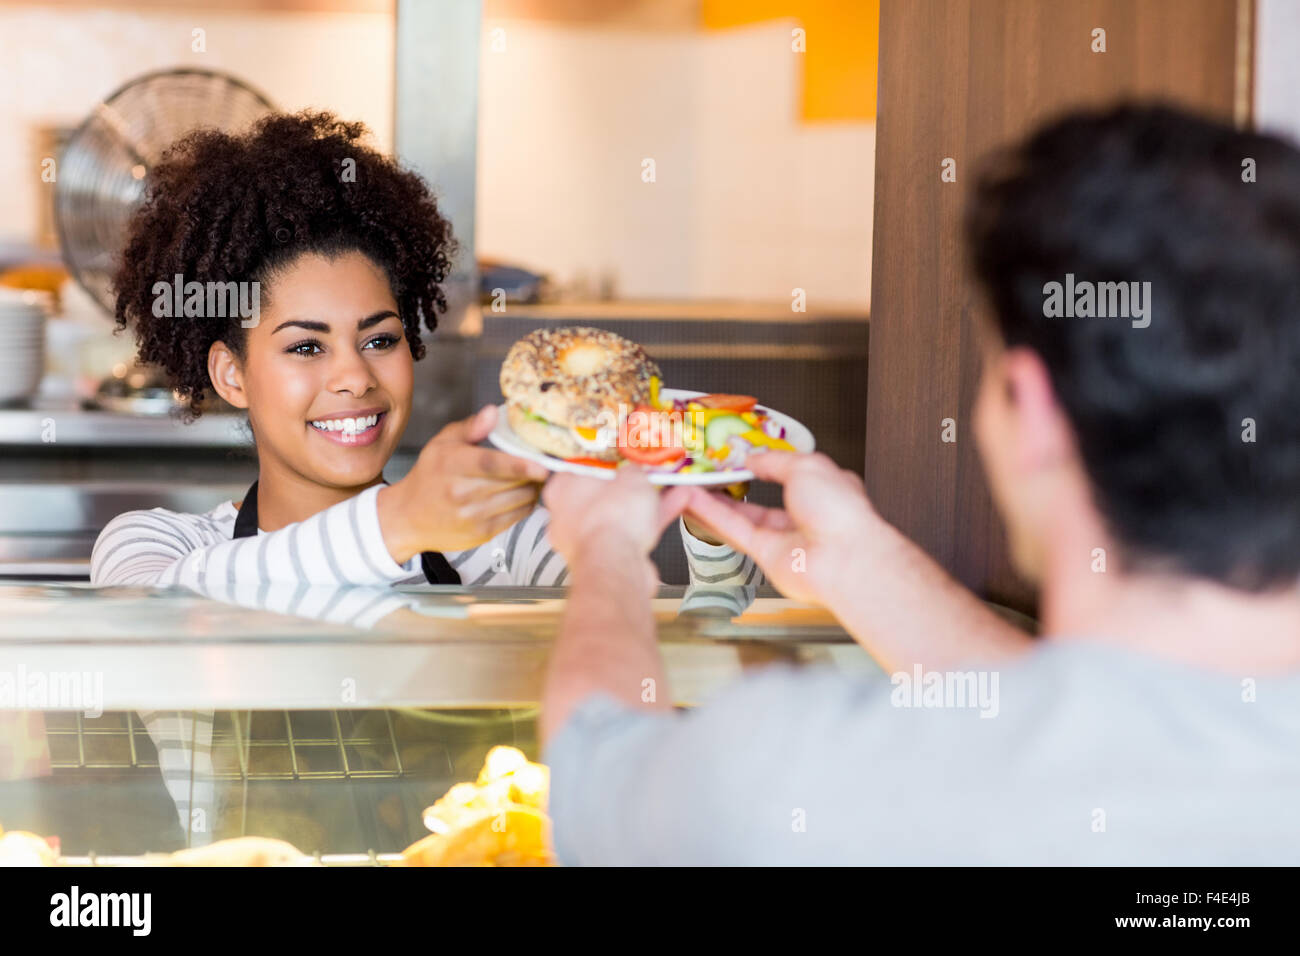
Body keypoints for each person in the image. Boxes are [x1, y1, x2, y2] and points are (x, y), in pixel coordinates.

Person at [537, 103, 1300, 865]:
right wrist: (864, 573)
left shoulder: (794, 780)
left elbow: (594, 779)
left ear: (1032, 412)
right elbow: (1129, 731)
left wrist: (605, 548)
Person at [88, 109, 755, 843]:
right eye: (306, 349)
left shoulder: (506, 551)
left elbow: (679, 655)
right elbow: (175, 606)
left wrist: (712, 528)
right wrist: (402, 521)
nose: (354, 378)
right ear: (230, 372)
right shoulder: (152, 547)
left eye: (379, 339)